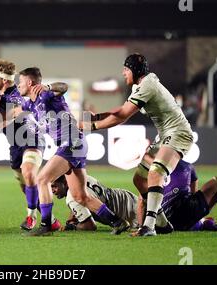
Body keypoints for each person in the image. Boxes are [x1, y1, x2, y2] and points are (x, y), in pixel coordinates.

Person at [83, 53, 194, 237]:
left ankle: (149, 226)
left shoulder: (147, 85)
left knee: (156, 172)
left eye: (126, 69)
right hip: (165, 135)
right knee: (139, 179)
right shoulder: (142, 85)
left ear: (135, 70)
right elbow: (120, 112)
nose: (123, 72)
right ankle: (163, 224)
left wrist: (92, 126)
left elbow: (122, 114)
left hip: (178, 133)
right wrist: (97, 117)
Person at [17, 67, 130, 236]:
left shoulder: (46, 95)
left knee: (42, 179)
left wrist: (48, 86)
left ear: (29, 82)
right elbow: (12, 111)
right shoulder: (29, 104)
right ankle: (118, 222)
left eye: (20, 82)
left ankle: (46, 225)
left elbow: (63, 87)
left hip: (71, 143)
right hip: (74, 145)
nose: (18, 86)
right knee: (80, 196)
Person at [0, 60, 65, 231]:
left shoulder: (16, 97)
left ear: (4, 80)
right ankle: (52, 220)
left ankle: (31, 217)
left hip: (32, 138)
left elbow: (2, 121)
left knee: (28, 171)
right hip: (15, 145)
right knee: (25, 186)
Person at [51, 174, 139, 231]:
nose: (52, 191)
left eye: (54, 186)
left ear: (65, 183)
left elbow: (89, 226)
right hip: (126, 196)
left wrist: (72, 227)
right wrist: (72, 219)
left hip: (129, 214)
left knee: (149, 227)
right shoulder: (80, 177)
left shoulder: (72, 196)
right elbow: (82, 201)